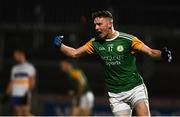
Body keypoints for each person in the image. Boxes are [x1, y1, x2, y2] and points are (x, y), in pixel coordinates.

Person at [53, 10, 172, 116]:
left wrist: (162, 55)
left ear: (110, 24)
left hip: (135, 88)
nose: (96, 28)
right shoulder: (94, 43)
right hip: (115, 94)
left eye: (99, 24)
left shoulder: (128, 40)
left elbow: (150, 52)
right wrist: (60, 46)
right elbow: (74, 53)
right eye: (95, 25)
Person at [5, 49, 36, 116]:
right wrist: (7, 93)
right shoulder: (14, 68)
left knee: (25, 113)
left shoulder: (30, 67)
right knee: (18, 114)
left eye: (16, 55)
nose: (15, 57)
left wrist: (27, 93)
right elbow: (12, 82)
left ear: (21, 54)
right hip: (15, 94)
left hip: (24, 94)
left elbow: (32, 82)